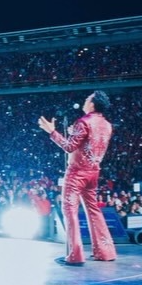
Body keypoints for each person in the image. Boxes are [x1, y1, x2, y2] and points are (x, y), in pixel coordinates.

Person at [39, 90, 116, 266]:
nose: (85, 100)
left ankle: (75, 255)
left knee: (70, 211)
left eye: (88, 98)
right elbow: (91, 145)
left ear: (93, 104)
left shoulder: (84, 122)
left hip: (76, 174)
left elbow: (69, 147)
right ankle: (105, 251)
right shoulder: (107, 125)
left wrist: (52, 132)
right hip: (93, 172)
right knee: (93, 210)